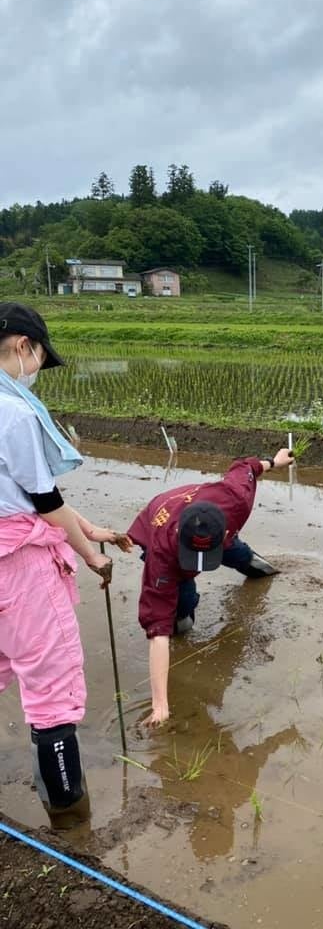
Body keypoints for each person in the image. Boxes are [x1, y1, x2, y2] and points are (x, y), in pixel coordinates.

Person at [0, 302, 130, 829]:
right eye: (38, 358)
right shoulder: (15, 412)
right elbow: (44, 501)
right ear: (25, 347)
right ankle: (69, 815)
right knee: (50, 684)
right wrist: (88, 551)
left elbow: (24, 497)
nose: (36, 372)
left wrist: (89, 528)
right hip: (18, 567)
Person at [127, 447, 295, 727]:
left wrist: (273, 462)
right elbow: (157, 632)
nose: (202, 566)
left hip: (214, 529)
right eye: (196, 560)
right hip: (162, 520)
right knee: (180, 617)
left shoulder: (236, 499)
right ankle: (184, 610)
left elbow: (245, 466)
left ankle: (260, 567)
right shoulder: (162, 555)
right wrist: (160, 704)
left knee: (243, 557)